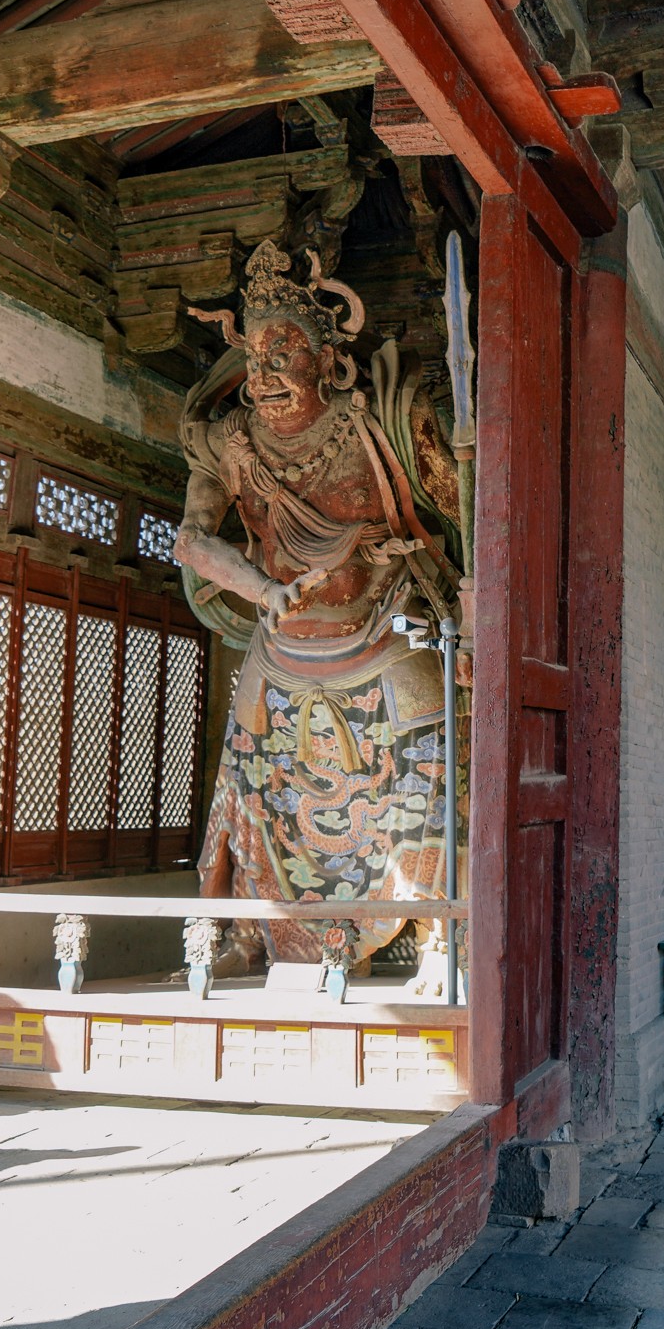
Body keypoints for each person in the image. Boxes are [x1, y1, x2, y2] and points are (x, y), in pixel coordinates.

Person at [173, 241, 465, 969]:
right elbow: (191, 542)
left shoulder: (383, 418)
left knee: (432, 761)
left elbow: (471, 512)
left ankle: (439, 935)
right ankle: (239, 932)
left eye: (285, 350)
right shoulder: (225, 444)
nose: (266, 371)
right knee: (245, 767)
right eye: (256, 352)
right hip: (283, 639)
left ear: (328, 359)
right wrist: (264, 590)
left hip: (386, 623)